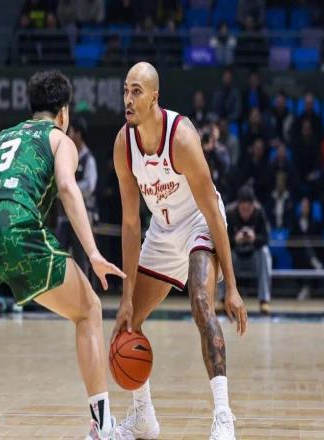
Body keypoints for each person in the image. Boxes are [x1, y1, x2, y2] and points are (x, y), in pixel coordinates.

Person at [0, 71, 125, 440]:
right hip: (15, 226)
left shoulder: (5, 136)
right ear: (63, 112)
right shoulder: (60, 139)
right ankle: (104, 427)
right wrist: (93, 252)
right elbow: (67, 187)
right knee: (89, 309)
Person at [112, 62, 247, 440]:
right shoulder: (124, 145)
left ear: (154, 97)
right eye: (125, 91)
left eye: (136, 91)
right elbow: (130, 223)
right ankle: (144, 418)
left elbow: (213, 213)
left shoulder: (182, 138)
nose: (128, 99)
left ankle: (224, 416)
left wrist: (232, 287)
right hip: (162, 231)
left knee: (202, 304)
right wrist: (126, 297)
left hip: (200, 222)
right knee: (128, 324)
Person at [56, 116, 98, 277]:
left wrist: (70, 190)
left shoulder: (89, 159)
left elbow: (90, 186)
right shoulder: (66, 156)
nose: (69, 135)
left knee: (81, 258)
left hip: (82, 216)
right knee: (59, 255)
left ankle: (86, 290)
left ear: (79, 134)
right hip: (64, 217)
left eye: (71, 131)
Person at [224, 186, 272, 314]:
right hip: (235, 259)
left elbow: (266, 239)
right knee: (222, 254)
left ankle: (264, 300)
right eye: (243, 209)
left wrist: (254, 238)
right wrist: (235, 239)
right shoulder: (230, 213)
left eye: (248, 209)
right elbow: (221, 240)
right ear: (238, 205)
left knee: (265, 252)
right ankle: (222, 298)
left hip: (253, 259)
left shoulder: (259, 212)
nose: (245, 213)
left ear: (253, 206)